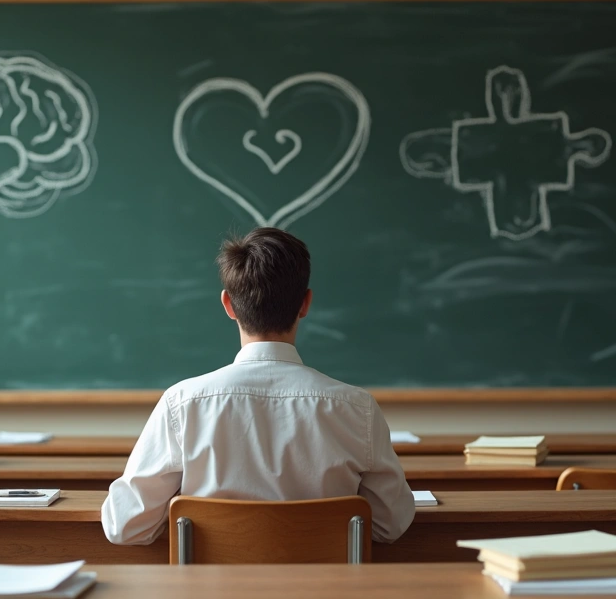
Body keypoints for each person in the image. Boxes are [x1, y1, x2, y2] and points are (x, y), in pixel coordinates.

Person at [101, 227, 415, 546]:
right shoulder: (356, 408)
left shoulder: (182, 404)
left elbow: (125, 527)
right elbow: (391, 524)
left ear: (229, 305)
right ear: (305, 304)